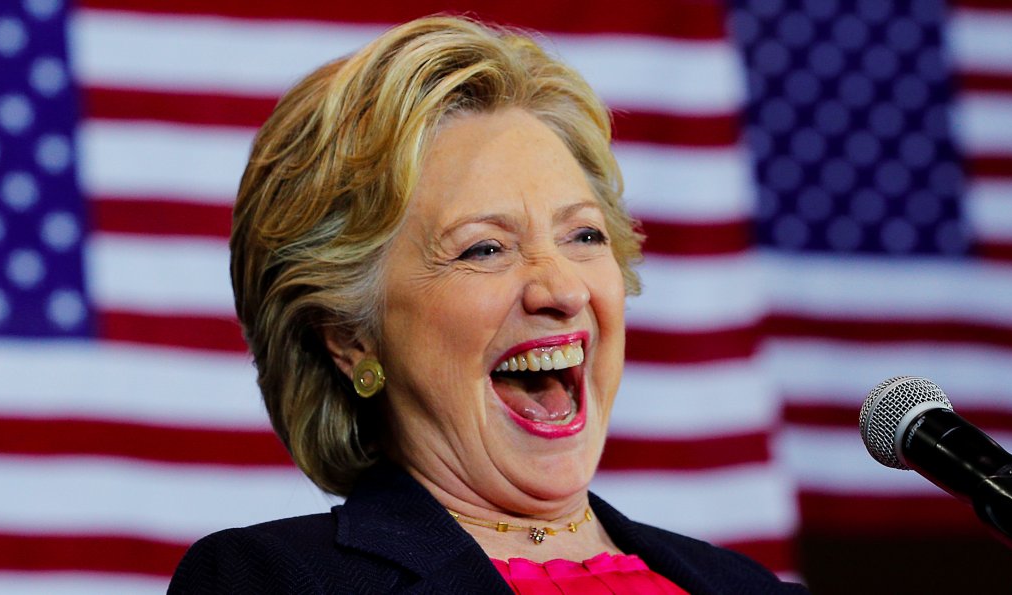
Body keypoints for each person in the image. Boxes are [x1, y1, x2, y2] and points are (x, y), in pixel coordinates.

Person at [169, 15, 808, 594]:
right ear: (349, 335)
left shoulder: (748, 588)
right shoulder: (271, 581)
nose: (563, 290)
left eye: (584, 236)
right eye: (485, 248)